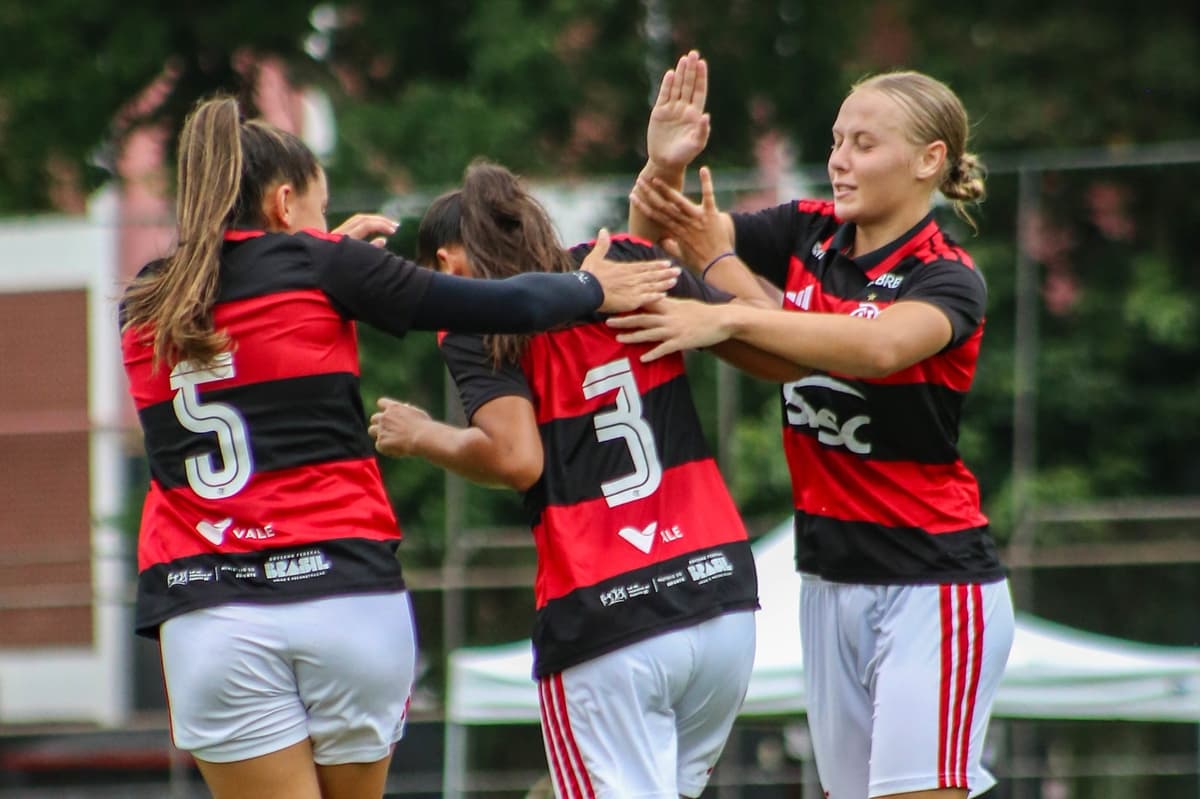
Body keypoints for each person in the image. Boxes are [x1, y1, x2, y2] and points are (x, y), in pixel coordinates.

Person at [118, 96, 679, 799]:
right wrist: (590, 286)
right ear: (285, 203)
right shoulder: (327, 267)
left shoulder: (143, 303)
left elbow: (245, 305)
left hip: (208, 611)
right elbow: (501, 305)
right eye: (318, 212)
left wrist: (316, 250)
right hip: (342, 592)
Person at [611, 51, 1015, 799]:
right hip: (826, 580)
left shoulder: (947, 276)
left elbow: (874, 347)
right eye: (836, 141)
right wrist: (661, 166)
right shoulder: (804, 230)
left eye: (865, 144)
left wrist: (727, 288)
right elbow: (656, 253)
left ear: (930, 160)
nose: (840, 161)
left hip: (931, 583)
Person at [367, 160, 791, 799]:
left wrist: (424, 435)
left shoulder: (478, 322)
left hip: (608, 615)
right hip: (719, 596)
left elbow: (517, 459)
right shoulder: (626, 257)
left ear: (451, 265)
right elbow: (777, 339)